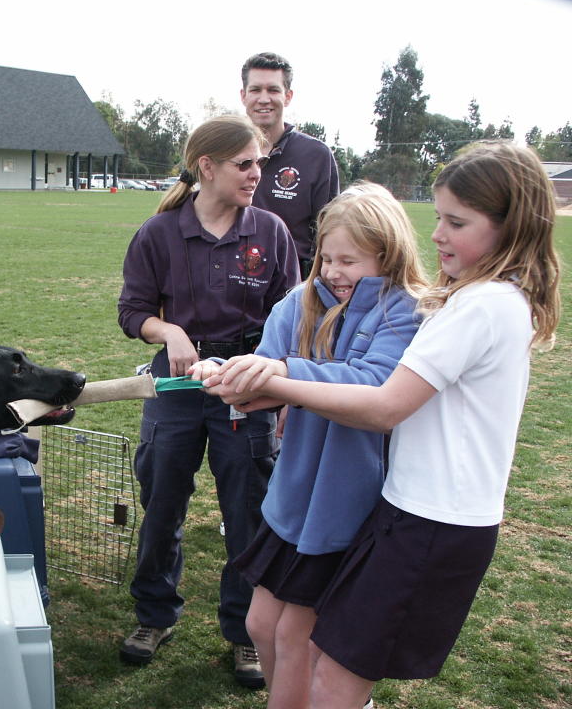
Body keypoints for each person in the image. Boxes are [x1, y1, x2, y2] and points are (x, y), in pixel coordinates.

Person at [199, 141, 561, 708]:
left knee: (326, 670)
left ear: (509, 224)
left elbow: (383, 400)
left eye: (455, 221)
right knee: (303, 652)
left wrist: (278, 378)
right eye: (438, 217)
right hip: (397, 509)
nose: (437, 233)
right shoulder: (466, 301)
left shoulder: (471, 306)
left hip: (421, 519)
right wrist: (243, 382)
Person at [191, 183, 427, 709]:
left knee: (295, 636)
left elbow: (374, 383)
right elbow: (267, 363)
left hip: (348, 507)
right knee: (260, 623)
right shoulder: (299, 303)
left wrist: (281, 373)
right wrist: (232, 375)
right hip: (294, 497)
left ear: (387, 254)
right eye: (327, 257)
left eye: (351, 260)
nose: (334, 272)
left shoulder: (402, 311)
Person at [116, 114, 300, 688]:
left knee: (248, 509)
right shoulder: (159, 233)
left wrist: (269, 383)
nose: (256, 174)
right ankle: (154, 614)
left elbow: (290, 317)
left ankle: (245, 632)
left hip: (248, 383)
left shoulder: (270, 231)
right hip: (176, 386)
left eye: (260, 163)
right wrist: (168, 332)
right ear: (207, 167)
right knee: (162, 499)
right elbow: (132, 312)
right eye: (244, 164)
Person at [242, 52, 340, 278]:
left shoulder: (316, 156)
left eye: (273, 90)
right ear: (243, 95)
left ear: (287, 96)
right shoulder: (223, 152)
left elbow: (330, 234)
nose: (264, 99)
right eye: (255, 90)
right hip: (232, 285)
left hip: (291, 290)